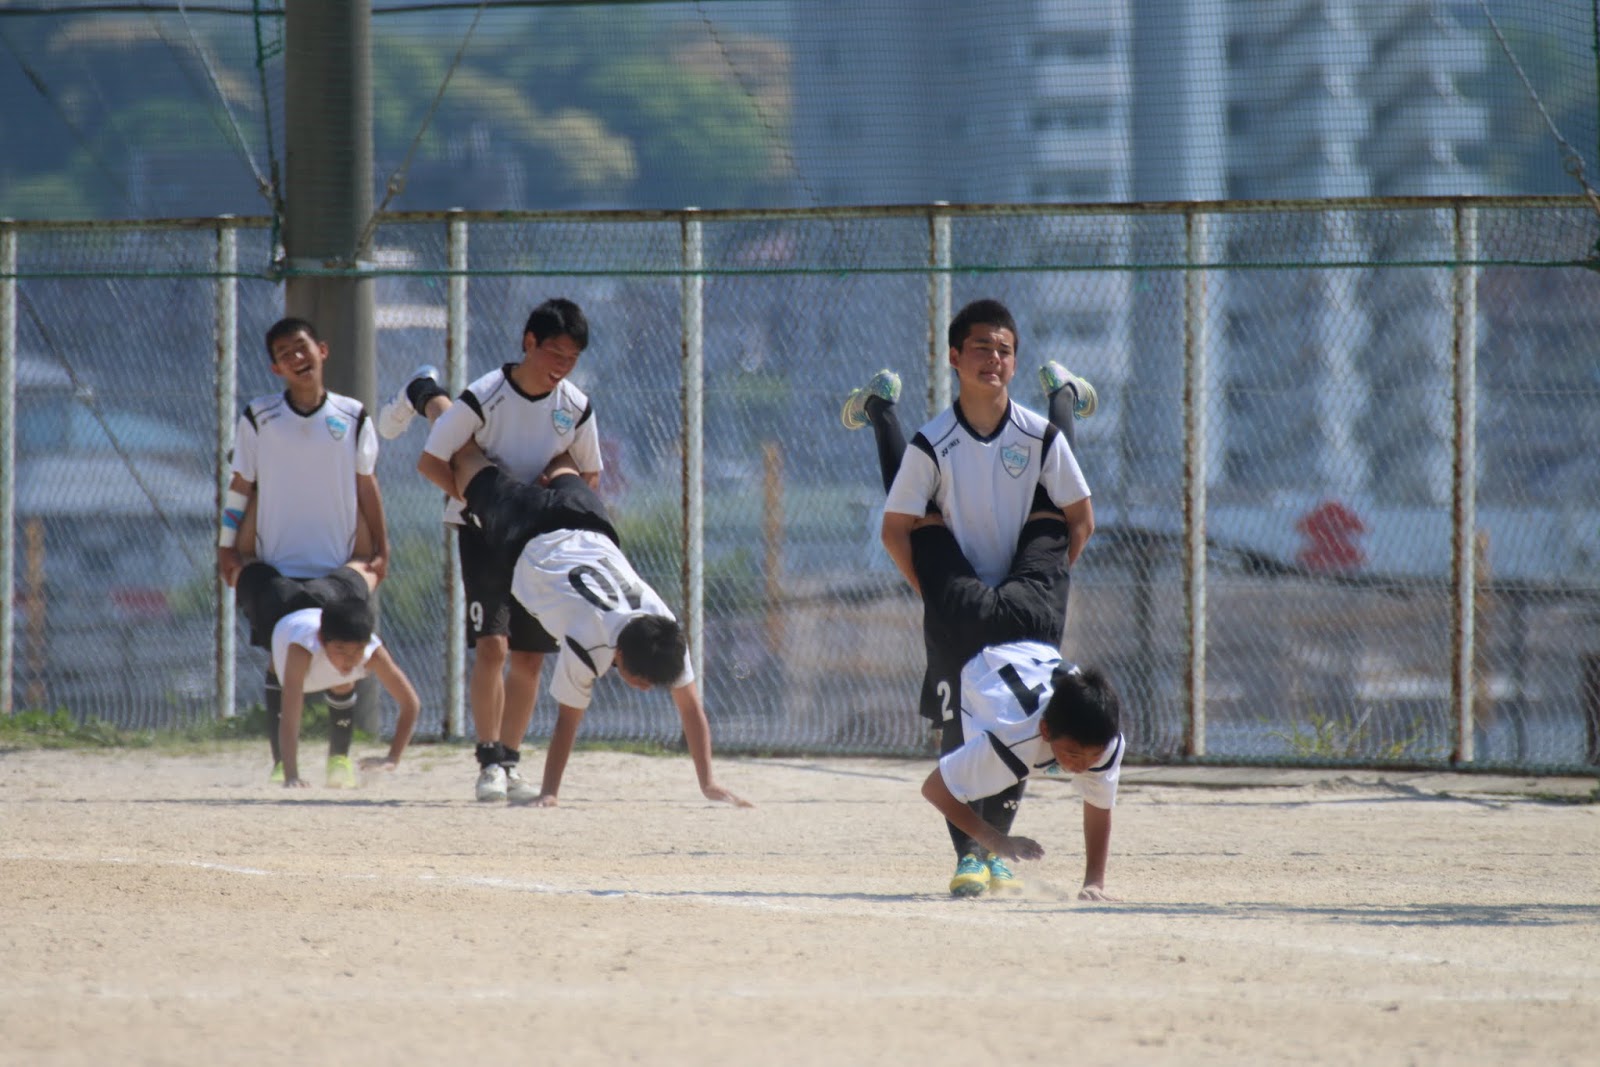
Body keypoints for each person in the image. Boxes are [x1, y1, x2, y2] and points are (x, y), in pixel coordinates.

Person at [841, 297, 1098, 895]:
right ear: (954, 357)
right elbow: (894, 529)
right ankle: (970, 855)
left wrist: (1043, 583)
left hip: (1019, 588)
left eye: (1005, 349)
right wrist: (932, 592)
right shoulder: (936, 441)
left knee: (1022, 713)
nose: (994, 358)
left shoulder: (1038, 435)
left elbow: (1078, 521)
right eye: (981, 347)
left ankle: (997, 850)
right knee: (960, 716)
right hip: (958, 584)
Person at [411, 393, 748, 808]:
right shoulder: (591, 643)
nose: (643, 689)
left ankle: (540, 406)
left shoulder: (662, 623)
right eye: (640, 679)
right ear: (619, 654)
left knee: (561, 458)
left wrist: (708, 781)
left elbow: (691, 709)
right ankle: (430, 399)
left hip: (586, 517)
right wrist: (550, 792)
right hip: (525, 529)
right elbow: (566, 724)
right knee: (466, 460)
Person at [376, 297, 602, 805]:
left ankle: (511, 761)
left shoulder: (575, 406)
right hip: (482, 528)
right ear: (529, 343)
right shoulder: (487, 395)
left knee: (530, 658)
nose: (561, 369)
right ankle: (488, 760)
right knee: (493, 646)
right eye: (554, 355)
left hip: (538, 539)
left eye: (572, 360)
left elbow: (589, 476)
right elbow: (432, 463)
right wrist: (479, 504)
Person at [218, 317, 390, 786]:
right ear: (276, 369)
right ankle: (282, 763)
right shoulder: (260, 416)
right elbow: (240, 485)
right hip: (277, 564)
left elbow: (366, 482)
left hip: (336, 563)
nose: (297, 358)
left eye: (302, 347)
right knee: (282, 657)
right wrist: (226, 545)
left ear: (323, 350)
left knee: (346, 654)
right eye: (284, 353)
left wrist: (382, 547)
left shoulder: (353, 415)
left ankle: (339, 757)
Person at [921, 639, 1125, 902]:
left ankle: (994, 857)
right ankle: (975, 856)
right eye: (1073, 754)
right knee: (994, 769)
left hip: (1037, 655)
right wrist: (994, 840)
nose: (1083, 765)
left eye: (1094, 755)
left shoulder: (1107, 744)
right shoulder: (1013, 738)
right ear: (1045, 730)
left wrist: (1094, 882)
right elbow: (936, 789)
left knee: (1015, 765)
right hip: (983, 668)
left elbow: (1099, 805)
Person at [237, 559, 422, 788]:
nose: (350, 659)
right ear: (322, 641)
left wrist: (392, 758)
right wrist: (292, 775)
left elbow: (411, 703)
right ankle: (281, 764)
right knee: (250, 573)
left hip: (324, 599)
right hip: (279, 608)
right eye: (340, 650)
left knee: (366, 573)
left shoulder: (372, 652)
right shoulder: (301, 649)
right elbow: (291, 716)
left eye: (357, 651)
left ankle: (338, 758)